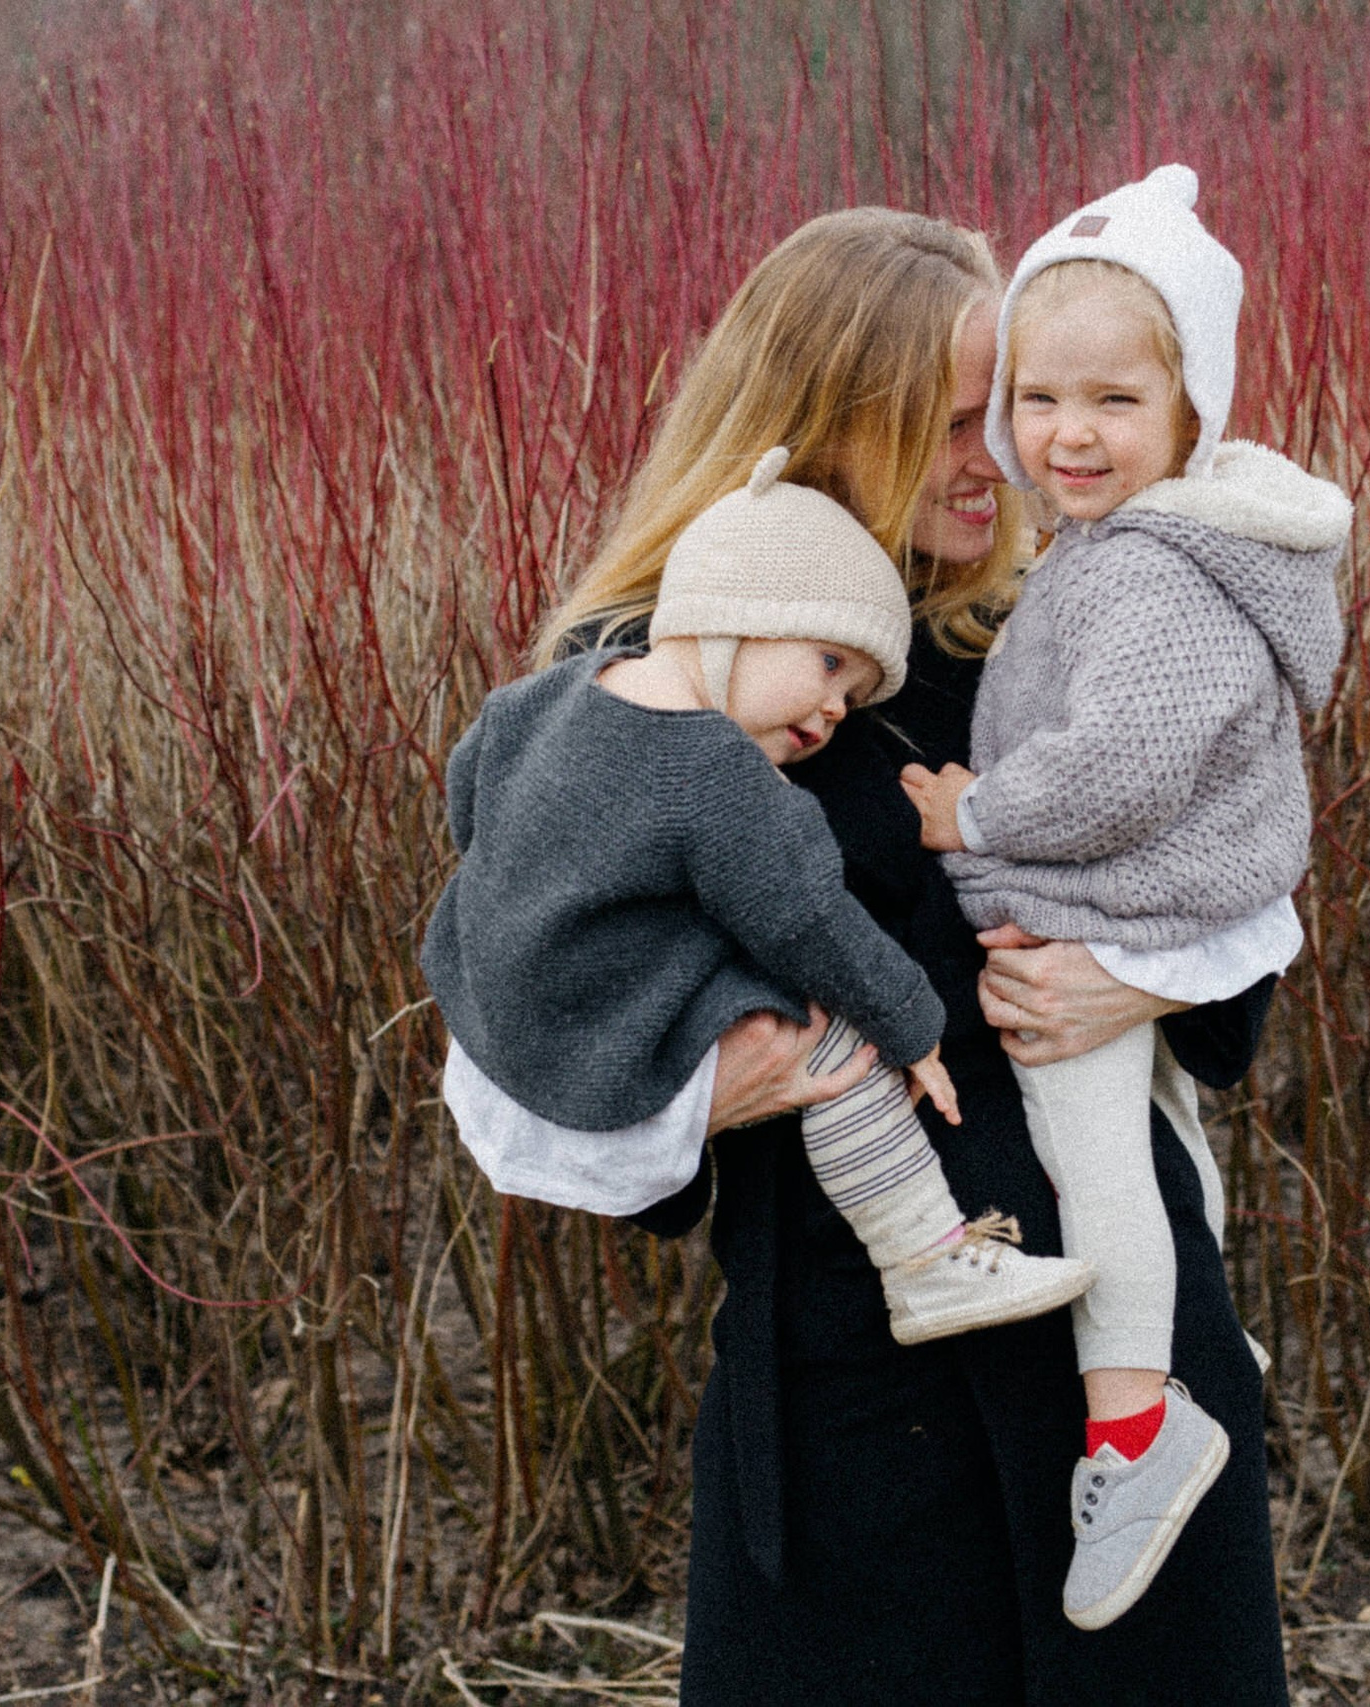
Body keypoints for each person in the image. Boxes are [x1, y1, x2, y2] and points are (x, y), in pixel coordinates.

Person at [453, 205, 1293, 1702]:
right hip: (853, 1404)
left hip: (1131, 1378)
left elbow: (1243, 931)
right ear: (822, 423)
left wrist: (1142, 979)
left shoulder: (1064, 636)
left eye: (1011, 404)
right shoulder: (654, 691)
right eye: (949, 417)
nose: (1003, 452)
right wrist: (715, 1084)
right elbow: (519, 1026)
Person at [898, 164, 1348, 1630]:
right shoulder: (1108, 555)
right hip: (1122, 914)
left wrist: (980, 811)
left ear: (1192, 411)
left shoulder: (1151, 572)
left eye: (1112, 403)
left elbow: (1118, 768)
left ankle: (1141, 1420)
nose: (1060, 436)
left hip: (1106, 918)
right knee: (1159, 1148)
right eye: (1034, 402)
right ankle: (1194, 1350)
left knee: (1104, 1157)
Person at [424, 444, 1094, 1346]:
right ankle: (926, 1259)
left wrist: (525, 889)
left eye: (851, 698)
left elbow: (470, 788)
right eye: (827, 663)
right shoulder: (719, 770)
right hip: (604, 1032)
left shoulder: (550, 693)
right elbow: (809, 917)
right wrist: (913, 1025)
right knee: (833, 1042)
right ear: (735, 615)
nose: (830, 714)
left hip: (488, 1004)